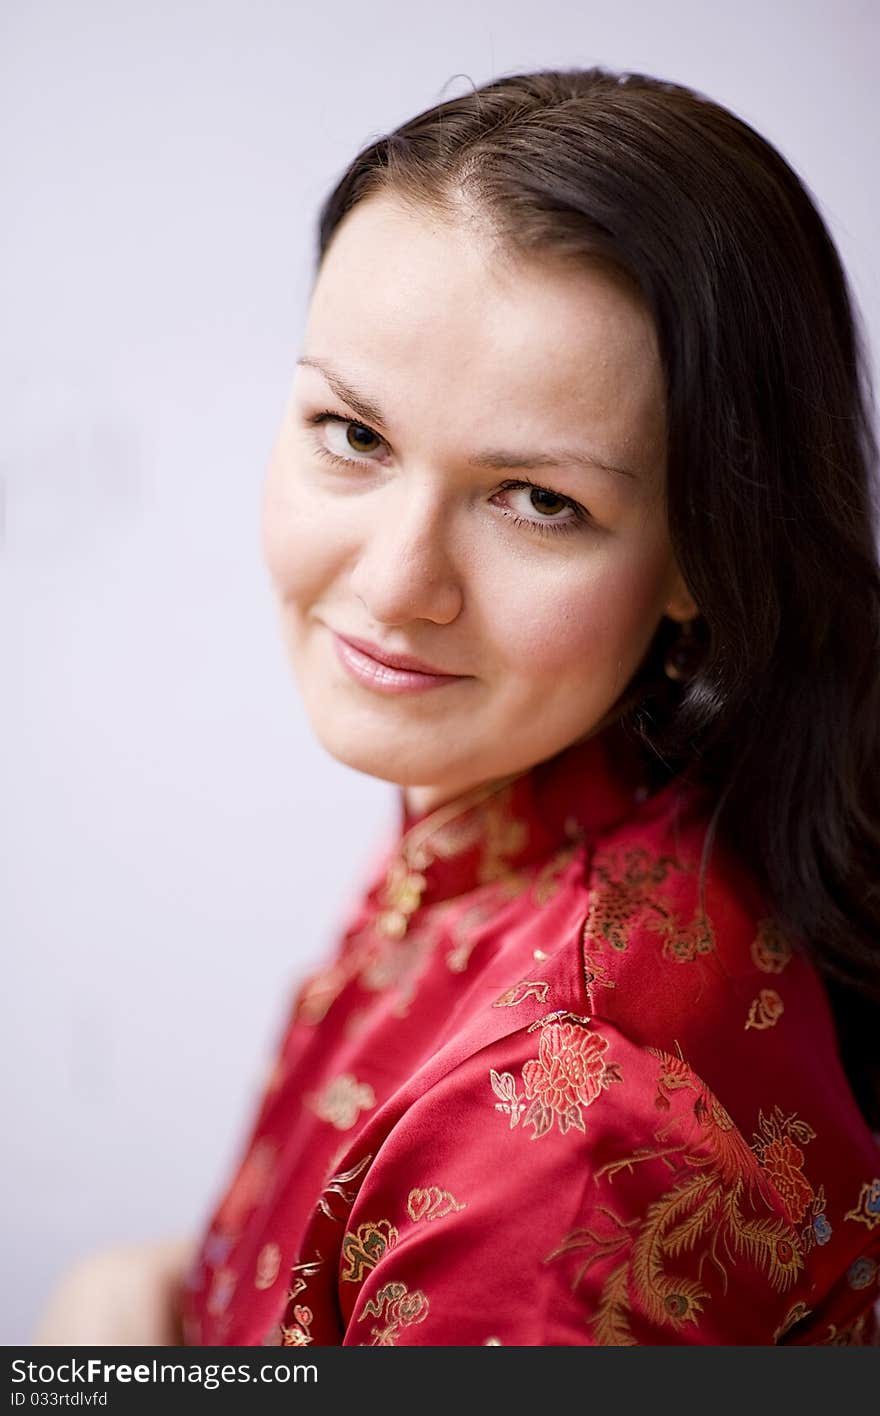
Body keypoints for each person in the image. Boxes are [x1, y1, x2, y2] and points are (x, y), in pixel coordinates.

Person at [33, 65, 880, 1347]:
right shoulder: (543, 806)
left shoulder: (570, 1130)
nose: (394, 582)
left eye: (538, 499)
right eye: (353, 435)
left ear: (704, 555)